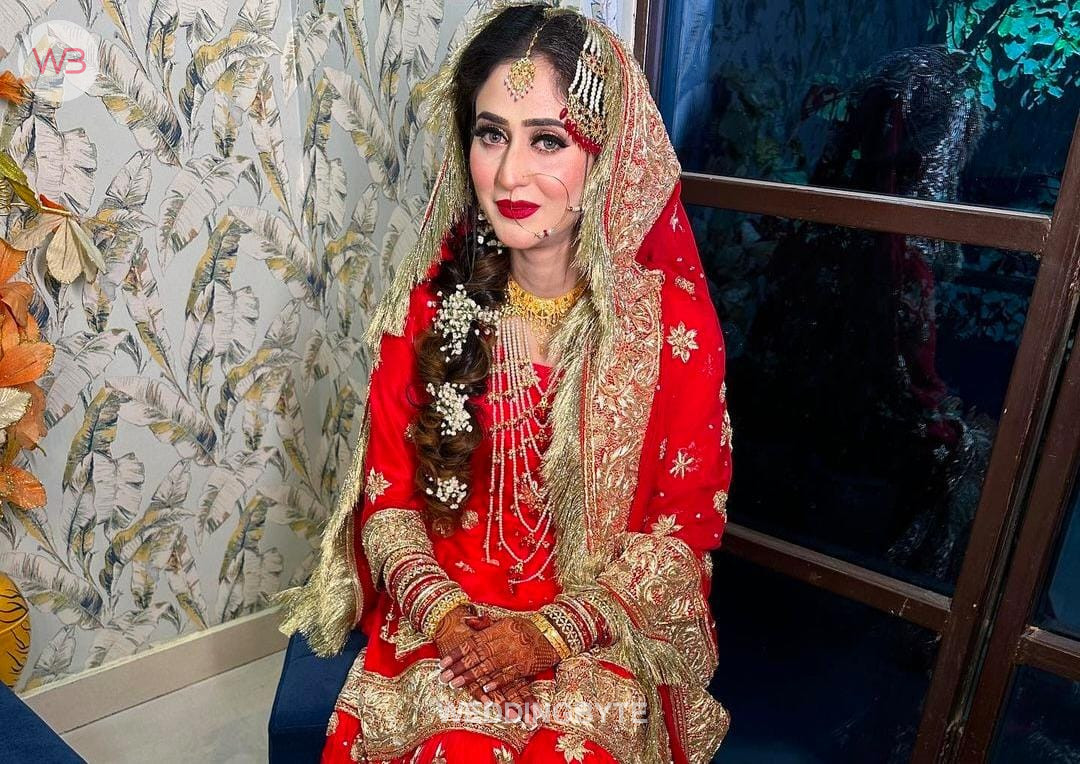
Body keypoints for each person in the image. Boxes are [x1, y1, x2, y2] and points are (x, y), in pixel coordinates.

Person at [275, 3, 733, 761]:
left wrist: (552, 633)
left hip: (597, 629)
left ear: (606, 155)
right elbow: (387, 499)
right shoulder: (430, 305)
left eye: (547, 140)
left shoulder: (667, 329)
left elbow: (683, 535)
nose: (510, 173)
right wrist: (445, 617)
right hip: (448, 616)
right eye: (491, 134)